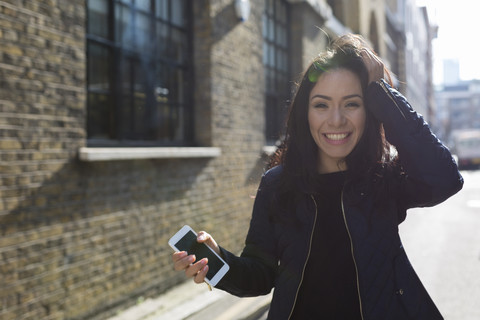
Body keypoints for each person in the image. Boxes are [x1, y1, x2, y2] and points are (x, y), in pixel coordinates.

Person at [172, 34, 463, 319]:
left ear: (369, 111)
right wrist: (218, 261)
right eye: (321, 105)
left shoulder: (383, 178)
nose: (336, 120)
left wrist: (383, 94)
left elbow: (445, 178)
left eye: (352, 103)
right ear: (305, 114)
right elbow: (260, 275)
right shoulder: (277, 184)